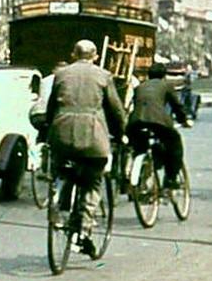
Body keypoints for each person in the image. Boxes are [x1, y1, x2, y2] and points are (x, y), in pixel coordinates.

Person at [44, 40, 127, 257]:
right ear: (95, 56)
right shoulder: (103, 76)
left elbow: (51, 107)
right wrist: (121, 133)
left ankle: (59, 202)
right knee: (93, 182)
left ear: (73, 54)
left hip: (61, 132)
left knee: (62, 169)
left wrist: (47, 130)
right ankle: (84, 230)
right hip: (92, 135)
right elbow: (115, 109)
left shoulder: (61, 74)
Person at [127, 63, 191, 188]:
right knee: (174, 143)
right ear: (164, 75)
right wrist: (184, 120)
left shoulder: (140, 87)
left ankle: (138, 173)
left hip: (135, 122)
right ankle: (171, 178)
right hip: (157, 121)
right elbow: (177, 106)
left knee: (139, 147)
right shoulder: (166, 85)